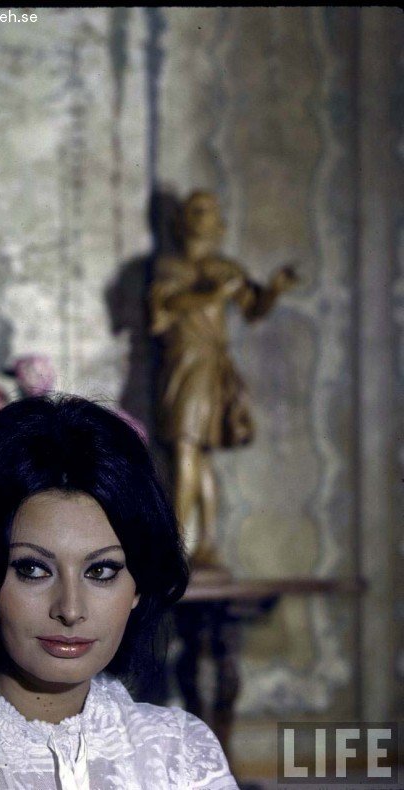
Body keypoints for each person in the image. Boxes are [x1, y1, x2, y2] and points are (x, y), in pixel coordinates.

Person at [0, 394, 238, 789]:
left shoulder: (183, 753)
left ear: (138, 586)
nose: (70, 610)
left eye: (100, 571)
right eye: (33, 569)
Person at [150, 190, 298, 567]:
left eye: (210, 211)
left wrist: (274, 290)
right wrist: (214, 294)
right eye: (197, 210)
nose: (204, 217)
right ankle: (182, 544)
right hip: (183, 361)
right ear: (181, 221)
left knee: (194, 449)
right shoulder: (170, 266)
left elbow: (252, 308)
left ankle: (196, 544)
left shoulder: (225, 267)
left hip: (210, 365)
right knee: (188, 449)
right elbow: (168, 303)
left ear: (220, 225)